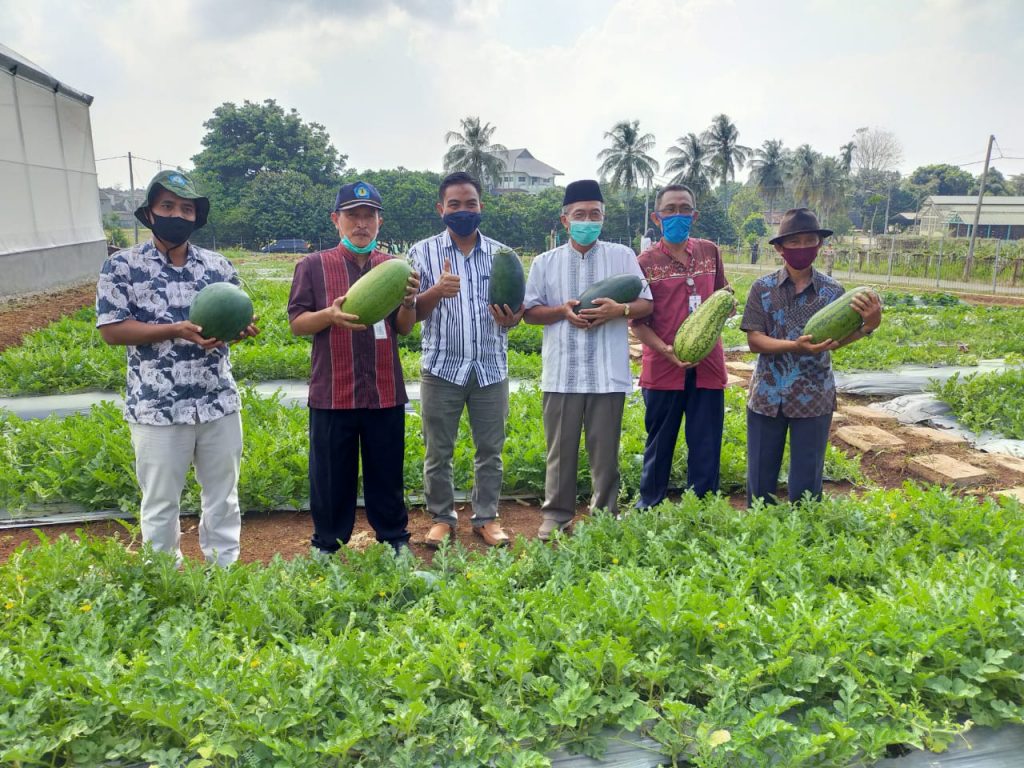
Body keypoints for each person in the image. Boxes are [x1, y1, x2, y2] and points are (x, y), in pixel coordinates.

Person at [95, 170, 258, 566]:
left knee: (223, 495)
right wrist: (175, 330)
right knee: (160, 500)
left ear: (196, 218)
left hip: (217, 401)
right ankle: (164, 576)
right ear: (150, 213)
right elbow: (113, 330)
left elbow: (236, 315)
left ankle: (223, 571)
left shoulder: (218, 266)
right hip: (157, 407)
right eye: (167, 206)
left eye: (187, 209)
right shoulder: (121, 267)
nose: (178, 215)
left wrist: (239, 331)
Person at [287, 181, 419, 556]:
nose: (361, 223)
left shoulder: (394, 269)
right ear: (336, 220)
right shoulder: (312, 266)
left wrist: (409, 301)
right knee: (330, 478)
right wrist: (328, 315)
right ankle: (326, 546)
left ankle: (394, 541)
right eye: (352, 215)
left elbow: (404, 328)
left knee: (387, 474)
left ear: (379, 221)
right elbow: (297, 324)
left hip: (384, 390)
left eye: (369, 216)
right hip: (333, 391)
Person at [523, 179, 653, 539]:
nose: (587, 220)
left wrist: (619, 309)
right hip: (562, 371)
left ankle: (605, 514)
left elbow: (646, 302)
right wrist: (561, 312)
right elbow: (530, 313)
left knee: (605, 451)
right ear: (565, 220)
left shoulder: (622, 256)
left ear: (603, 217)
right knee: (559, 452)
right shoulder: (544, 262)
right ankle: (556, 515)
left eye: (594, 214)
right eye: (579, 214)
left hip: (606, 372)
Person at [410, 172, 524, 549]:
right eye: (454, 205)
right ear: (440, 209)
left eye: (470, 204)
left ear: (481, 207)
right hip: (442, 366)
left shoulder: (502, 254)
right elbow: (409, 314)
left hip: (490, 367)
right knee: (438, 449)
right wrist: (435, 292)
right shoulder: (421, 253)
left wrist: (513, 318)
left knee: (489, 450)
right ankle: (442, 517)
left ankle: (486, 517)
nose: (463, 211)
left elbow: (515, 311)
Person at [741, 208, 883, 506]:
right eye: (794, 242)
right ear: (780, 248)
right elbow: (755, 340)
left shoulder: (835, 292)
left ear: (819, 246)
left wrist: (869, 326)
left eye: (810, 241)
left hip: (813, 395)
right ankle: (759, 532)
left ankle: (804, 533)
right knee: (760, 477)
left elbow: (837, 340)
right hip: (768, 394)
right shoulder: (762, 288)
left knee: (808, 480)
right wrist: (795, 346)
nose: (802, 248)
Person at [631, 184, 730, 508]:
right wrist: (666, 350)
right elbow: (638, 322)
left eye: (684, 209)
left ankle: (701, 508)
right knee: (659, 442)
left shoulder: (709, 252)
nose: (677, 215)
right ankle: (651, 504)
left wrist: (726, 304)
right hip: (662, 366)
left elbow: (723, 295)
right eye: (670, 209)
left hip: (708, 364)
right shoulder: (644, 261)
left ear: (694, 215)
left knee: (706, 441)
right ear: (656, 217)